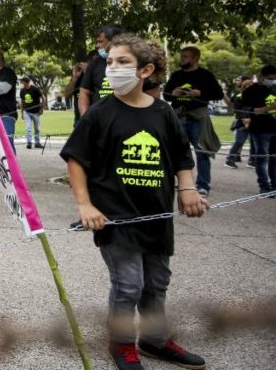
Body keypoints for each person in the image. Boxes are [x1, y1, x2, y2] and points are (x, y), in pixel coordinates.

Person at [60, 33, 207, 370]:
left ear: (146, 70)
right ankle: (121, 344)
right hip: (116, 219)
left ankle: (155, 341)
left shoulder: (163, 113)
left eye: (122, 62)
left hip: (157, 217)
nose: (112, 68)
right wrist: (85, 205)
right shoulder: (99, 113)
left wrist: (187, 189)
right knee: (128, 285)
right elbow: (75, 160)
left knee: (157, 283)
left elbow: (182, 155)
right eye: (110, 62)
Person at [163, 46, 223, 196]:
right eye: (181, 56)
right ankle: (180, 182)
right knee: (176, 152)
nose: (182, 59)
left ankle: (203, 185)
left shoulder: (205, 75)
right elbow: (167, 95)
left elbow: (219, 94)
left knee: (202, 151)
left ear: (195, 58)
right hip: (178, 117)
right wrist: (173, 93)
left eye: (186, 57)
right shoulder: (176, 75)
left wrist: (200, 93)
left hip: (197, 117)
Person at [240, 65, 276, 196]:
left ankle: (274, 185)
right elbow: (246, 110)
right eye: (270, 78)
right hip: (260, 129)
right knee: (262, 159)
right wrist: (269, 108)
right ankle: (264, 186)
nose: (272, 81)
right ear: (262, 77)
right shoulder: (252, 90)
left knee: (274, 159)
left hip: (274, 128)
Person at [79, 24, 124, 116]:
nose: (97, 45)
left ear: (115, 41)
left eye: (101, 41)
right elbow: (84, 93)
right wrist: (86, 120)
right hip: (99, 120)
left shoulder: (134, 63)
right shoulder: (95, 63)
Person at [224, 76, 254, 168]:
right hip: (242, 123)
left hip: (254, 123)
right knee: (239, 142)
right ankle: (230, 160)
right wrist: (245, 121)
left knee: (254, 143)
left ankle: (252, 161)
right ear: (244, 87)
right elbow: (237, 110)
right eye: (249, 86)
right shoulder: (239, 96)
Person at [63, 50, 99, 127]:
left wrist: (87, 72)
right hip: (79, 119)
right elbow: (66, 94)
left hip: (97, 118)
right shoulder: (79, 75)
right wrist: (75, 78)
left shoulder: (100, 75)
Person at [19, 77, 44, 149]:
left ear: (27, 82)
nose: (22, 83)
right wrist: (22, 112)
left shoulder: (35, 89)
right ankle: (29, 143)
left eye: (23, 82)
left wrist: (41, 109)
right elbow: (22, 102)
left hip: (36, 112)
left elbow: (43, 98)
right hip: (27, 112)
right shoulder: (22, 91)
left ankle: (37, 143)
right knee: (28, 128)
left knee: (37, 128)